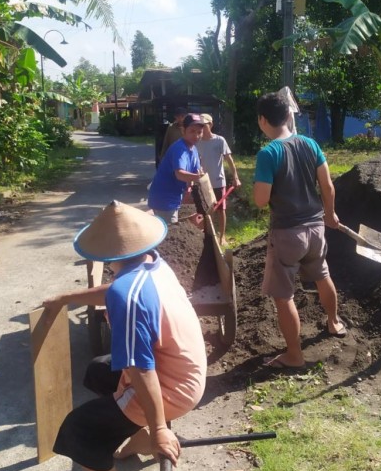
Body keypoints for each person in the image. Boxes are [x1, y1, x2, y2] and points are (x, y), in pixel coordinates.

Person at [41, 200, 207, 471]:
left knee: (77, 431)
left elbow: (142, 368)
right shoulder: (154, 263)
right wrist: (66, 298)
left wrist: (160, 428)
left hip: (169, 386)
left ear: (104, 254)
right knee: (97, 370)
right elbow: (116, 290)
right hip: (186, 370)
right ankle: (137, 440)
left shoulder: (125, 296)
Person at [252, 92, 347, 370]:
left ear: (263, 120)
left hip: (287, 233)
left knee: (284, 296)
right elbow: (328, 186)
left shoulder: (268, 153)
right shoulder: (310, 144)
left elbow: (260, 200)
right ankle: (334, 323)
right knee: (322, 274)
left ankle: (294, 355)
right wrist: (329, 214)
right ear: (287, 115)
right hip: (316, 229)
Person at [147, 113, 206, 224]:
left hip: (175, 197)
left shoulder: (194, 150)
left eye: (199, 132)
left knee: (174, 230)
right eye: (192, 131)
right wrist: (199, 177)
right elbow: (180, 174)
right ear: (183, 131)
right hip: (164, 198)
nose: (196, 136)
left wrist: (197, 180)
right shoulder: (180, 149)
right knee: (171, 234)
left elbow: (195, 174)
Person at [195, 113, 241, 246]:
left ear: (211, 124)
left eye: (204, 125)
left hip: (218, 181)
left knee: (221, 210)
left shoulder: (219, 140)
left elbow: (229, 160)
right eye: (199, 125)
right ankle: (209, 236)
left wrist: (235, 177)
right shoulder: (197, 142)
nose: (202, 128)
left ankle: (222, 237)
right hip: (203, 182)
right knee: (205, 210)